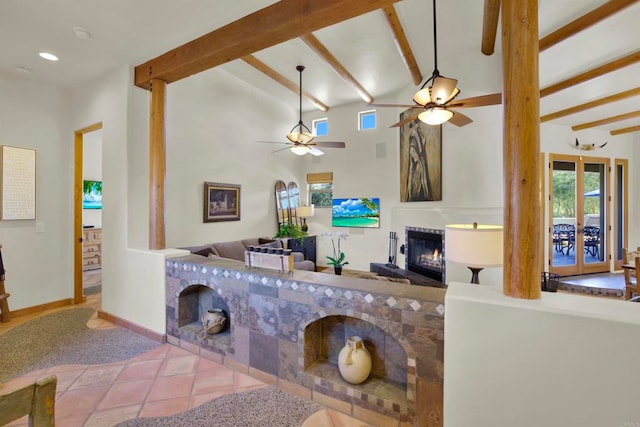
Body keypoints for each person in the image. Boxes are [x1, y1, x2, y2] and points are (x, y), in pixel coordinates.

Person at [406, 120, 432, 201]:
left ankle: (426, 194)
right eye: (417, 123)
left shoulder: (418, 133)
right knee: (417, 178)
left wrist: (421, 134)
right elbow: (412, 148)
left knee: (423, 177)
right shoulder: (413, 134)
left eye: (419, 123)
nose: (419, 124)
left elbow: (423, 142)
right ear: (414, 124)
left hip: (421, 157)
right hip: (417, 159)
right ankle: (415, 194)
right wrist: (416, 158)